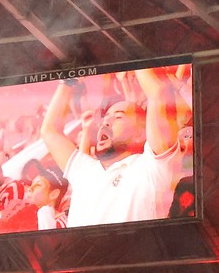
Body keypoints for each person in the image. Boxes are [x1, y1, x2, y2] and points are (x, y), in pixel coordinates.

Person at [40, 69, 189, 228]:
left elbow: (159, 94)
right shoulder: (84, 170)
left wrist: (134, 58)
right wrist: (70, 79)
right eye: (105, 118)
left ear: (140, 133)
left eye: (118, 116)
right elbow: (50, 131)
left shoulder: (151, 168)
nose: (106, 122)